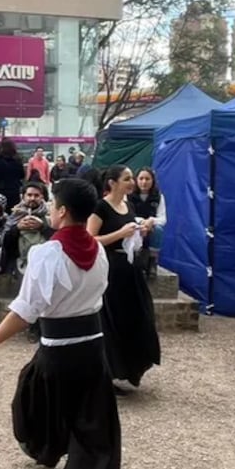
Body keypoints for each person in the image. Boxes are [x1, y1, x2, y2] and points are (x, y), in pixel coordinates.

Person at [0, 178, 120, 469]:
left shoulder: (47, 254)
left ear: (62, 211)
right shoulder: (98, 252)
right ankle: (58, 464)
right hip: (92, 349)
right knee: (87, 425)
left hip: (59, 350)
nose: (50, 209)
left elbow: (27, 311)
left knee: (38, 397)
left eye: (53, 204)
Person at [87, 165, 161, 394]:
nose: (132, 182)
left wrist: (140, 231)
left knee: (138, 317)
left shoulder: (128, 204)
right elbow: (90, 239)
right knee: (112, 321)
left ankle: (130, 367)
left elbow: (129, 234)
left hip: (130, 269)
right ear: (112, 183)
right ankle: (109, 372)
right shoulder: (100, 207)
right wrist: (120, 234)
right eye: (127, 178)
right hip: (110, 270)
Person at [129, 167, 167, 277]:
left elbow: (163, 218)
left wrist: (152, 221)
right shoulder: (129, 196)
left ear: (153, 181)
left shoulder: (159, 197)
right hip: (134, 226)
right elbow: (128, 215)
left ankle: (152, 261)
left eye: (147, 179)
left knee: (158, 230)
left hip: (151, 227)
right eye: (141, 178)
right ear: (136, 180)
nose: (144, 182)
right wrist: (141, 222)